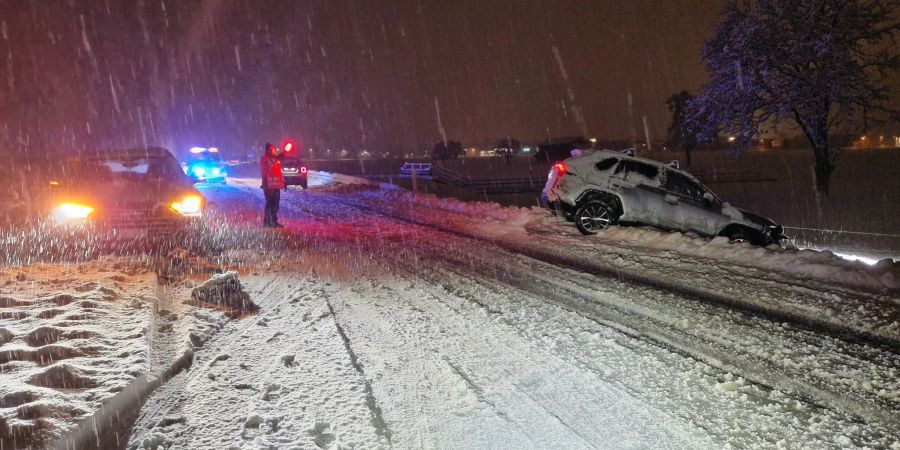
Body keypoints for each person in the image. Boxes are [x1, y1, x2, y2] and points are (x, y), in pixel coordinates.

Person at [260, 143, 286, 228]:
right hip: (268, 186)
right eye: (271, 149)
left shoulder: (275, 159)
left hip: (276, 187)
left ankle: (273, 221)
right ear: (267, 150)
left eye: (273, 149)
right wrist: (277, 158)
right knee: (270, 204)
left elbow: (279, 172)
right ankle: (268, 221)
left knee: (275, 205)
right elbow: (269, 165)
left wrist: (283, 182)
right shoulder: (265, 159)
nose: (273, 151)